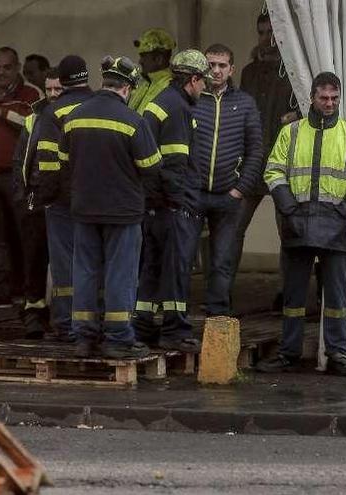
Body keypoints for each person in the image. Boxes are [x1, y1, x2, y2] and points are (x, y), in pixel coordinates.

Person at [257, 72, 346, 375]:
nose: (329, 103)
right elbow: (273, 171)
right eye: (324, 98)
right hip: (299, 223)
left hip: (333, 226)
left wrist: (344, 211)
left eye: (334, 98)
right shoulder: (292, 132)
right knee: (293, 296)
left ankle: (337, 354)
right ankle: (289, 353)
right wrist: (288, 207)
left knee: (337, 297)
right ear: (312, 97)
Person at [64, 56, 161, 358]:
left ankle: (83, 337)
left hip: (84, 208)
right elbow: (152, 167)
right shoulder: (133, 121)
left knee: (85, 272)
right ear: (128, 87)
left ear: (104, 81)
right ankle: (119, 337)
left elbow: (64, 163)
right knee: (120, 274)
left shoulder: (74, 117)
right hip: (123, 212)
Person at [132, 49, 209, 353]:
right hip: (172, 205)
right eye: (203, 81)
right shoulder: (178, 109)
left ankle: (143, 325)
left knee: (151, 266)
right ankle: (175, 330)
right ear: (193, 79)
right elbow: (175, 164)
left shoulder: (161, 102)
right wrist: (181, 203)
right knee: (175, 268)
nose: (204, 87)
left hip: (153, 203)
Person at [233, 11, 301, 309]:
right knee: (232, 228)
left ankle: (287, 293)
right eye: (261, 32)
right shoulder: (248, 73)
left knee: (287, 233)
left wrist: (296, 116)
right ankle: (221, 292)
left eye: (272, 33)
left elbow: (310, 108)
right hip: (251, 161)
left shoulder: (296, 71)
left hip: (284, 162)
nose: (267, 39)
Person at [190, 43, 262, 316]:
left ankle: (218, 317)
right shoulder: (192, 99)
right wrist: (185, 186)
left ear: (232, 69)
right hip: (194, 194)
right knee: (182, 257)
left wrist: (240, 189)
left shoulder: (245, 103)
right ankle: (176, 316)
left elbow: (256, 149)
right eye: (211, 64)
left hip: (227, 196)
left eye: (222, 65)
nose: (216, 70)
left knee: (222, 259)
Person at [26, 55, 94, 342]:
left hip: (63, 203)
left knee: (64, 265)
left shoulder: (53, 113)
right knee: (93, 262)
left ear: (62, 82)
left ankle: (67, 323)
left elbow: (48, 163)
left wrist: (45, 197)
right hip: (97, 200)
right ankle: (94, 321)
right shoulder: (102, 106)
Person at [0, 47, 42, 305]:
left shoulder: (31, 93)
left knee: (24, 233)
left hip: (17, 175)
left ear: (18, 67)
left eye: (7, 67)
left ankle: (25, 288)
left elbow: (35, 124)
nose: (1, 72)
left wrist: (2, 113)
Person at [8, 66, 62, 339]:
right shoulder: (34, 118)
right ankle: (34, 311)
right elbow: (20, 161)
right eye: (49, 88)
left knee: (65, 261)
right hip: (35, 197)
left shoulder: (75, 115)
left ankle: (64, 315)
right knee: (34, 257)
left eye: (58, 89)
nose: (53, 94)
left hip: (65, 200)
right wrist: (21, 196)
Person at [129, 28, 176, 114]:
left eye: (143, 56)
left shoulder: (169, 88)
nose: (140, 61)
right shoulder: (145, 82)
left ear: (159, 59)